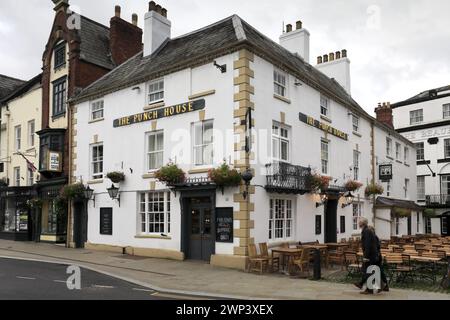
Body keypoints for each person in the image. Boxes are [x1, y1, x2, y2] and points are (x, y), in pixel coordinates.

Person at [354, 218, 389, 294]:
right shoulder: (367, 231)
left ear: (362, 223)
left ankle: (370, 289)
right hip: (373, 255)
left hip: (370, 255)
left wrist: (366, 257)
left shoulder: (366, 231)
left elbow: (368, 245)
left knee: (368, 270)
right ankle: (381, 285)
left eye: (359, 222)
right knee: (371, 270)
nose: (358, 223)